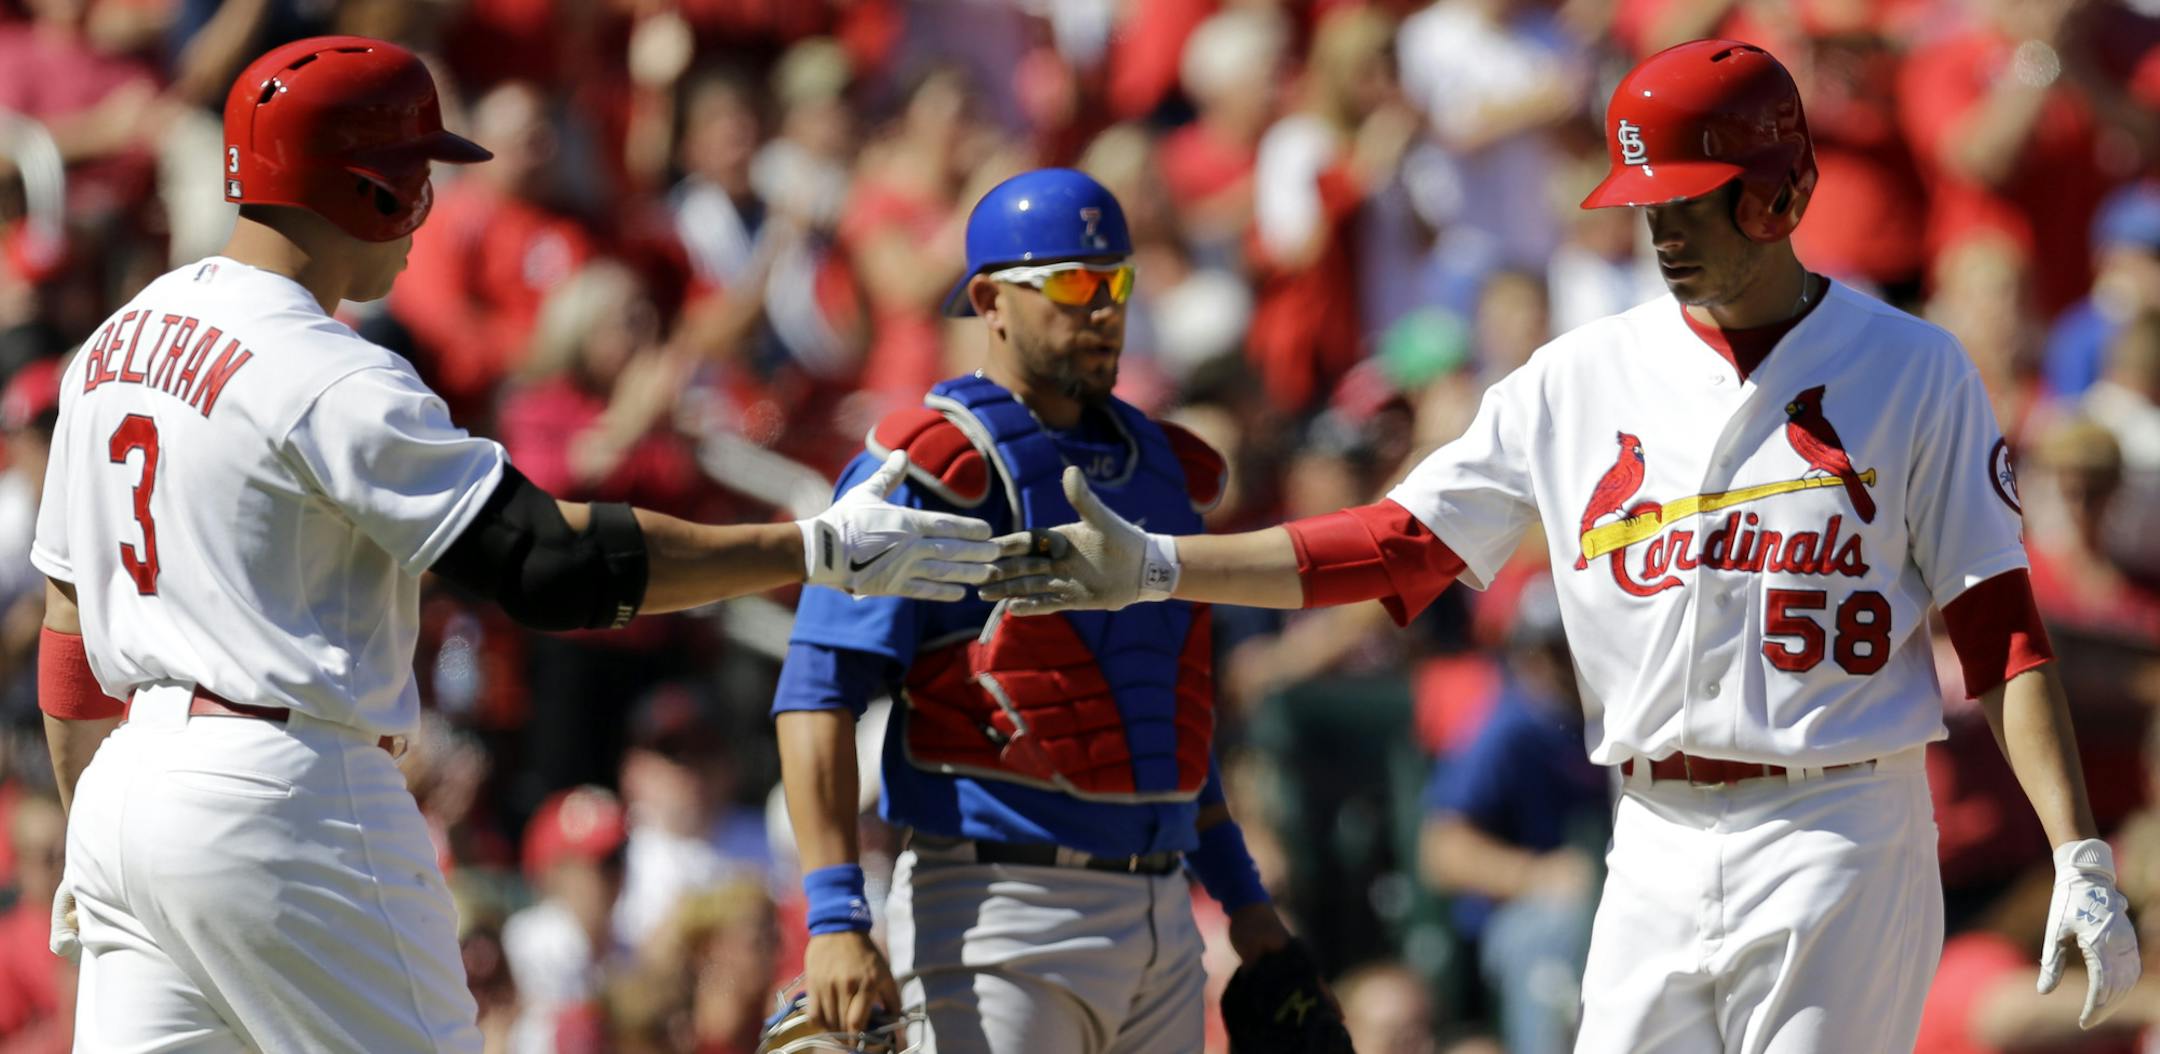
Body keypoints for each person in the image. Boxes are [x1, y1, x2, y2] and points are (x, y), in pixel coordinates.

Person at [989, 40, 2142, 1052]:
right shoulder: (1582, 376)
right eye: (1647, 202)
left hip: (1841, 824)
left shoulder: (1913, 367)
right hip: (1649, 833)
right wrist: (1160, 564)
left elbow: (1998, 628)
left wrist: (2076, 847)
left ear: (1776, 196)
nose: (1660, 229)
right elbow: (1394, 543)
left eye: (1687, 200)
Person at [33, 36, 1003, 1053]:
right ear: (361, 187)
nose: (427, 205)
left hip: (125, 789)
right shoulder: (325, 370)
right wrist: (810, 549)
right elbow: (555, 565)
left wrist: (108, 821)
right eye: (416, 175)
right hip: (280, 792)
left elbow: (69, 633)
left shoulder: (114, 343)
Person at [768, 167, 1339, 1053]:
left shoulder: (1163, 472)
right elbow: (816, 690)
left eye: (1117, 281)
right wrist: (835, 916)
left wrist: (1245, 903)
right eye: (1073, 283)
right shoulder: (930, 470)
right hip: (998, 911)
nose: (1103, 306)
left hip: (1163, 914)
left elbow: (1169, 719)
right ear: (990, 299)